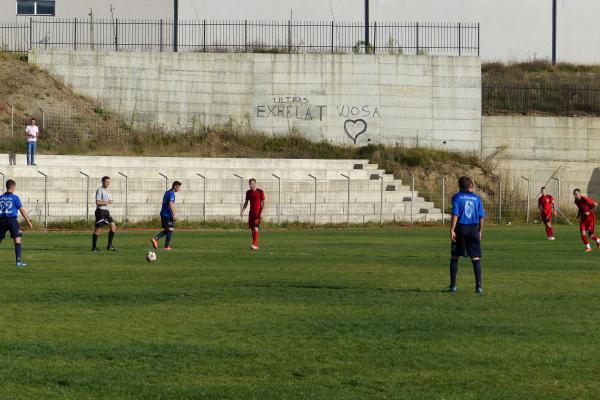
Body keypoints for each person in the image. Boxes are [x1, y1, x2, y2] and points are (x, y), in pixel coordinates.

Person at [444, 176, 486, 294]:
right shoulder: (477, 198)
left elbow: (455, 214)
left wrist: (452, 229)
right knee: (475, 258)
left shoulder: (457, 197)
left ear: (460, 185)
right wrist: (480, 231)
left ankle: (453, 286)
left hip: (461, 228)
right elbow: (481, 216)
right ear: (470, 185)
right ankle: (478, 287)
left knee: (455, 256)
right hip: (473, 229)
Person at [0, 180, 33, 267]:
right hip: (12, 220)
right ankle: (18, 261)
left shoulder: (0, 197)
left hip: (1, 220)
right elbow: (22, 211)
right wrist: (28, 222)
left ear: (7, 187)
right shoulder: (15, 198)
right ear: (13, 187)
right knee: (17, 240)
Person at [151, 181, 182, 251]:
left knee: (167, 230)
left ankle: (156, 239)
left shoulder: (167, 192)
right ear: (175, 186)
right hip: (167, 214)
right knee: (170, 230)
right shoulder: (171, 194)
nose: (179, 189)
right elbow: (170, 204)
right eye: (179, 187)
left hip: (163, 213)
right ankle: (166, 246)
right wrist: (174, 214)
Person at [92, 176, 117, 251]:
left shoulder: (107, 191)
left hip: (106, 212)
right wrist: (107, 202)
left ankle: (109, 246)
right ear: (102, 182)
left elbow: (106, 202)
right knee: (98, 229)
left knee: (113, 227)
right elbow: (98, 202)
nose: (108, 184)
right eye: (107, 182)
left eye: (109, 182)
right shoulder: (99, 190)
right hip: (100, 212)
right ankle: (94, 247)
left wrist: (109, 202)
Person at [241, 178, 265, 250]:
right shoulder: (248, 192)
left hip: (257, 213)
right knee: (252, 229)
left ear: (255, 183)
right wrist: (242, 210)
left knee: (256, 227)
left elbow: (262, 203)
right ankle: (255, 245)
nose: (250, 185)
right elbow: (246, 202)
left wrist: (261, 213)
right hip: (251, 213)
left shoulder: (260, 192)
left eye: (251, 184)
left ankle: (254, 244)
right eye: (249, 184)